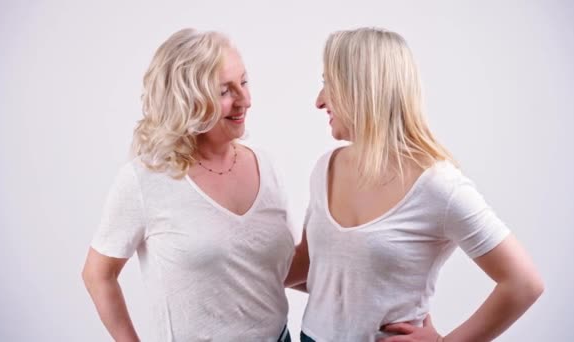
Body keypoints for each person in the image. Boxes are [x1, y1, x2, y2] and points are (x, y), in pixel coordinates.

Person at [285, 27, 544, 342]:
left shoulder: (439, 186)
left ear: (362, 88)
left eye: (328, 83)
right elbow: (315, 267)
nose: (319, 101)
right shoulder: (326, 167)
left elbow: (523, 283)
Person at [82, 28, 294, 342]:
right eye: (224, 91)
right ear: (186, 99)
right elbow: (97, 275)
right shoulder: (145, 180)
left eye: (244, 82)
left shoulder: (266, 165)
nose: (245, 100)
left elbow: (276, 268)